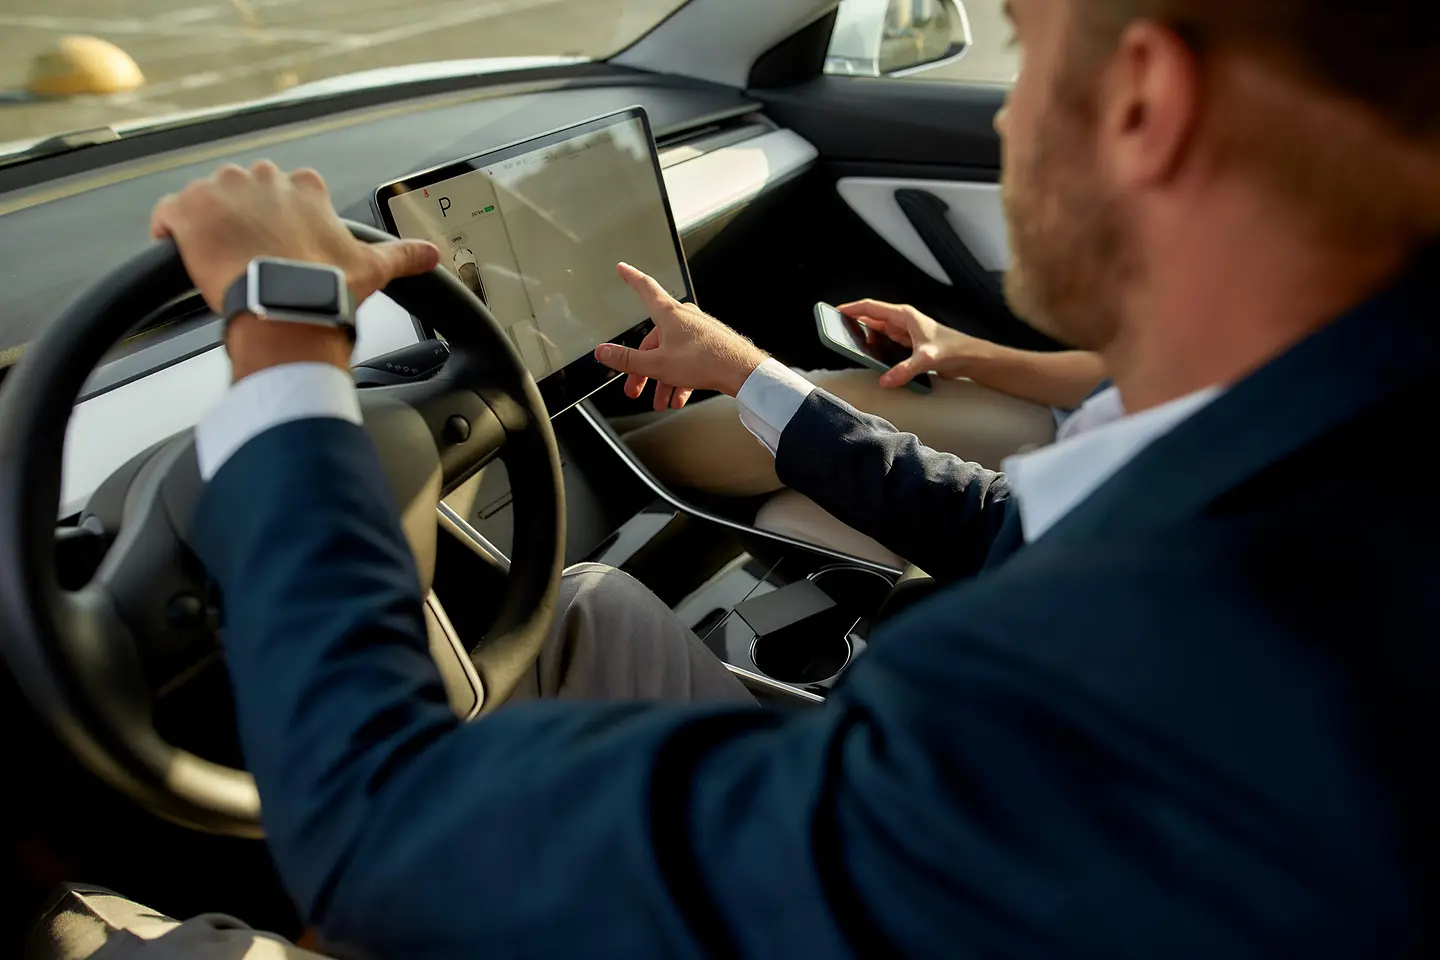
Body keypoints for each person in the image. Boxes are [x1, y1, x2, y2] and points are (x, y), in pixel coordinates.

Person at [124, 0, 1440, 954]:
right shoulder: (1336, 470)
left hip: (889, 845)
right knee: (589, 613)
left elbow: (367, 826)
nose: (1007, 107)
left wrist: (285, 335)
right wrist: (751, 373)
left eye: (1027, 53)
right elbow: (1004, 535)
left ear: (1144, 102)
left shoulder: (1100, 701)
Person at [619, 299, 1107, 564]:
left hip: (1047, 507)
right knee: (785, 510)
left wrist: (748, 374)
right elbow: (1118, 379)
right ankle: (602, 443)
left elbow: (988, 522)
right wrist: (959, 350)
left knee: (833, 412)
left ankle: (589, 461)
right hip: (1068, 445)